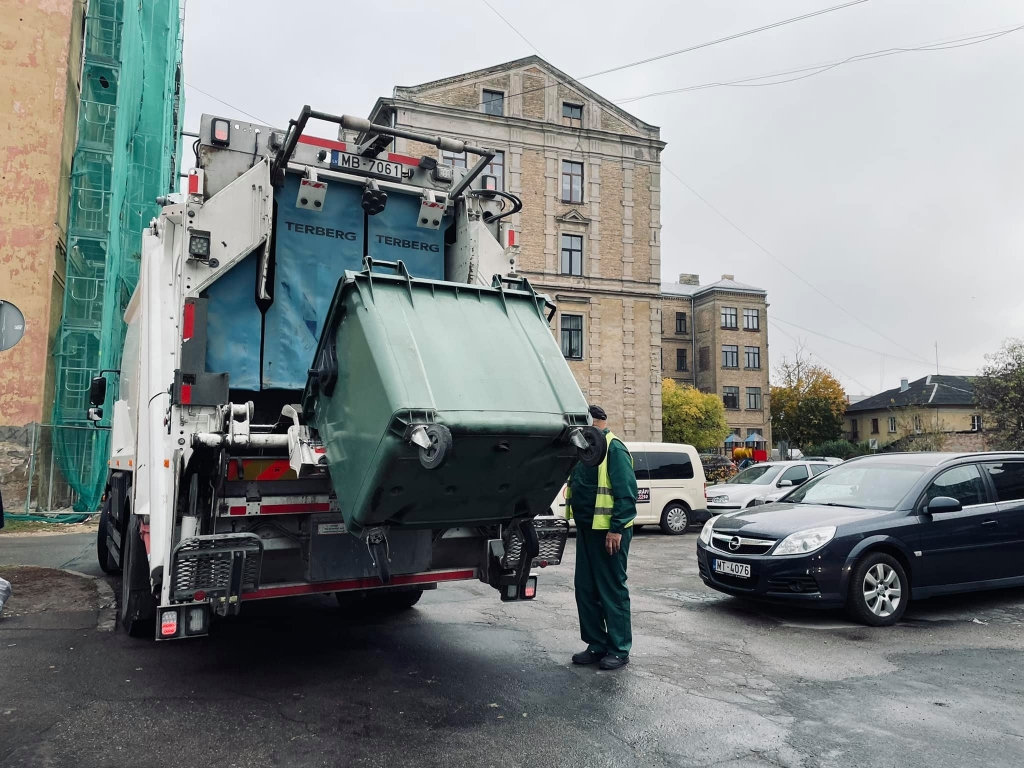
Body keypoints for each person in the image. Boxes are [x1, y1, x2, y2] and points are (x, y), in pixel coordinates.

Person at [565, 405, 637, 670]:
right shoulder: (586, 448)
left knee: (611, 590)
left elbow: (627, 494)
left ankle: (619, 649)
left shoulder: (614, 448)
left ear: (593, 424)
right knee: (585, 589)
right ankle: (596, 644)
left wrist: (616, 528)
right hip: (586, 529)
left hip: (609, 533)